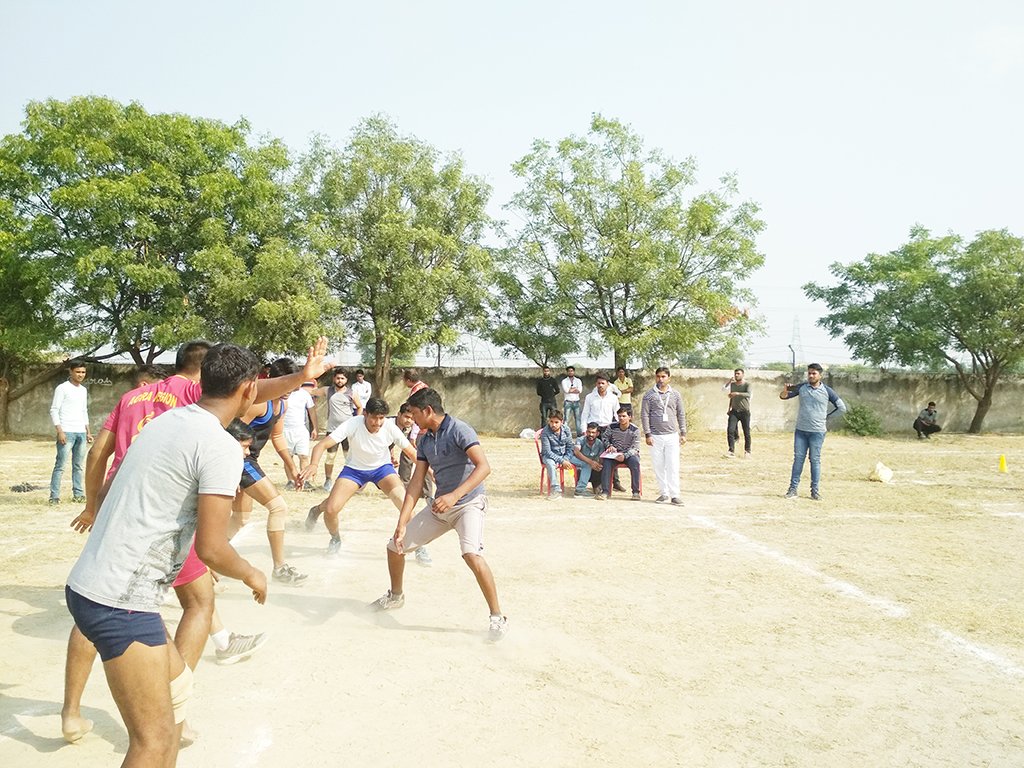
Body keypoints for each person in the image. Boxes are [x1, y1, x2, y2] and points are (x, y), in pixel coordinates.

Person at [61, 338, 327, 745]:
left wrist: (93, 505)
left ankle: (73, 710)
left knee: (108, 619)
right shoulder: (208, 424)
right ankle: (178, 707)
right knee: (157, 734)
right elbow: (212, 548)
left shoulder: (149, 403)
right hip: (145, 555)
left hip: (111, 540)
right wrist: (252, 573)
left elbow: (99, 452)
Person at [372, 388, 508, 642]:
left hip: (469, 504)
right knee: (394, 547)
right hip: (440, 508)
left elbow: (484, 467)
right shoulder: (424, 440)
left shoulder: (460, 429)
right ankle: (396, 596)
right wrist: (402, 523)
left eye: (414, 414)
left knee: (471, 554)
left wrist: (454, 496)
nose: (412, 419)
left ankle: (497, 617)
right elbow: (416, 482)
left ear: (427, 411)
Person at [301, 397, 421, 557]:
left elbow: (412, 453)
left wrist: (432, 472)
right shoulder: (353, 424)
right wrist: (314, 464)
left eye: (381, 418)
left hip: (382, 470)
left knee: (406, 505)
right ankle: (333, 536)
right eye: (374, 418)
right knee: (331, 509)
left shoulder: (390, 427)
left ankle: (419, 546)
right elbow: (321, 445)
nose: (378, 423)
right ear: (365, 414)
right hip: (354, 470)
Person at [234, 357, 308, 585]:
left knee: (240, 519)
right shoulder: (258, 404)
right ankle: (280, 568)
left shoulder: (283, 405)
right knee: (278, 507)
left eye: (293, 386)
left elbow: (277, 436)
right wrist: (230, 471)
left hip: (249, 460)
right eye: (286, 384)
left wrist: (292, 467)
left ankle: (204, 563)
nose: (289, 390)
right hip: (240, 460)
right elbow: (231, 432)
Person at [780, 363, 847, 501]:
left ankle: (815, 491)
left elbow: (842, 408)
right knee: (798, 459)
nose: (811, 376)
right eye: (809, 373)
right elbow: (783, 397)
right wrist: (785, 390)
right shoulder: (802, 387)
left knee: (815, 460)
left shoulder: (827, 391)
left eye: (814, 373)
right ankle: (792, 489)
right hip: (801, 431)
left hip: (817, 432)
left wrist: (827, 417)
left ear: (820, 375)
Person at [640, 367, 687, 506]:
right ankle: (663, 493)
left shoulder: (675, 394)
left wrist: (683, 432)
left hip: (672, 435)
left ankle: (675, 495)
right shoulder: (649, 395)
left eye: (663, 376)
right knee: (659, 466)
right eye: (658, 376)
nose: (660, 379)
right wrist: (647, 434)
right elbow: (644, 415)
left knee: (673, 465)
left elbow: (681, 413)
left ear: (669, 378)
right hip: (655, 436)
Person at [310, 368, 362, 492]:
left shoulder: (351, 393)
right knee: (330, 456)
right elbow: (311, 391)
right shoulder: (328, 390)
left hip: (348, 430)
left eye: (342, 378)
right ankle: (328, 480)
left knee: (349, 457)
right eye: (338, 378)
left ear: (346, 380)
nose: (340, 380)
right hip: (332, 430)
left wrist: (356, 421)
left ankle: (352, 482)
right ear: (334, 379)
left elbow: (359, 407)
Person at [49, 361, 93, 504]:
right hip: (67, 431)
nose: (81, 375)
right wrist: (60, 431)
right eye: (78, 372)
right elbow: (54, 410)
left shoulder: (83, 390)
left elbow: (84, 411)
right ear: (71, 372)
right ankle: (54, 496)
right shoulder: (62, 388)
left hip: (81, 432)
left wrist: (88, 432)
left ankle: (78, 494)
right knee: (60, 466)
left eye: (83, 372)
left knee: (78, 466)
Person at [598, 408, 642, 501]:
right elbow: (604, 437)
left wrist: (624, 456)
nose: (621, 418)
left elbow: (636, 448)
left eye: (624, 416)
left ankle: (636, 492)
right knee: (606, 462)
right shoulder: (612, 426)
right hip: (614, 453)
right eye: (619, 416)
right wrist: (609, 446)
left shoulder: (635, 430)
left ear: (629, 417)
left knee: (635, 462)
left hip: (629, 454)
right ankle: (605, 492)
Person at [282, 381, 317, 484]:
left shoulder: (305, 394)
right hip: (285, 430)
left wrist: (315, 428)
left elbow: (312, 411)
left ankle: (305, 481)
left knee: (304, 456)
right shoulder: (283, 393)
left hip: (301, 429)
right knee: (288, 457)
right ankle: (291, 481)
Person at [538, 409, 575, 498]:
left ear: (561, 422)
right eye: (551, 422)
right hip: (549, 456)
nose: (553, 425)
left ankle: (580, 488)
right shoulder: (545, 432)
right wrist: (562, 461)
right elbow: (547, 452)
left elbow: (570, 447)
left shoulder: (566, 430)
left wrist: (566, 459)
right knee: (550, 464)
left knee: (582, 462)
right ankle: (555, 489)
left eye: (556, 422)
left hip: (565, 456)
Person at [568, 422, 604, 497]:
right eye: (589, 432)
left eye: (593, 432)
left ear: (597, 433)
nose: (591, 434)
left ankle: (597, 486)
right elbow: (576, 452)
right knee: (587, 465)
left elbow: (601, 458)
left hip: (591, 466)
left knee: (601, 467)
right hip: (576, 462)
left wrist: (598, 465)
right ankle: (580, 490)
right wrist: (590, 462)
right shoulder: (580, 440)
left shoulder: (600, 444)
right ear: (586, 432)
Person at [724, 368, 752, 458]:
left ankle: (747, 451)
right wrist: (729, 408)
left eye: (738, 374)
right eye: (735, 374)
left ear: (743, 375)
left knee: (746, 432)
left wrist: (737, 393)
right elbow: (731, 396)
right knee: (730, 430)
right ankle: (731, 451)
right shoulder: (732, 385)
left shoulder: (747, 384)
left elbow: (748, 394)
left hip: (744, 412)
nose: (736, 375)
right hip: (734, 411)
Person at [560, 365, 583, 437]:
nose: (570, 372)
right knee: (566, 419)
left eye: (572, 371)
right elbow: (566, 390)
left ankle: (579, 435)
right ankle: (565, 434)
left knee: (578, 419)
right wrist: (575, 389)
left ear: (574, 372)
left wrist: (571, 390)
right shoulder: (564, 381)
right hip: (568, 402)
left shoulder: (578, 380)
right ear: (567, 372)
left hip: (576, 402)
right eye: (569, 371)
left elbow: (580, 390)